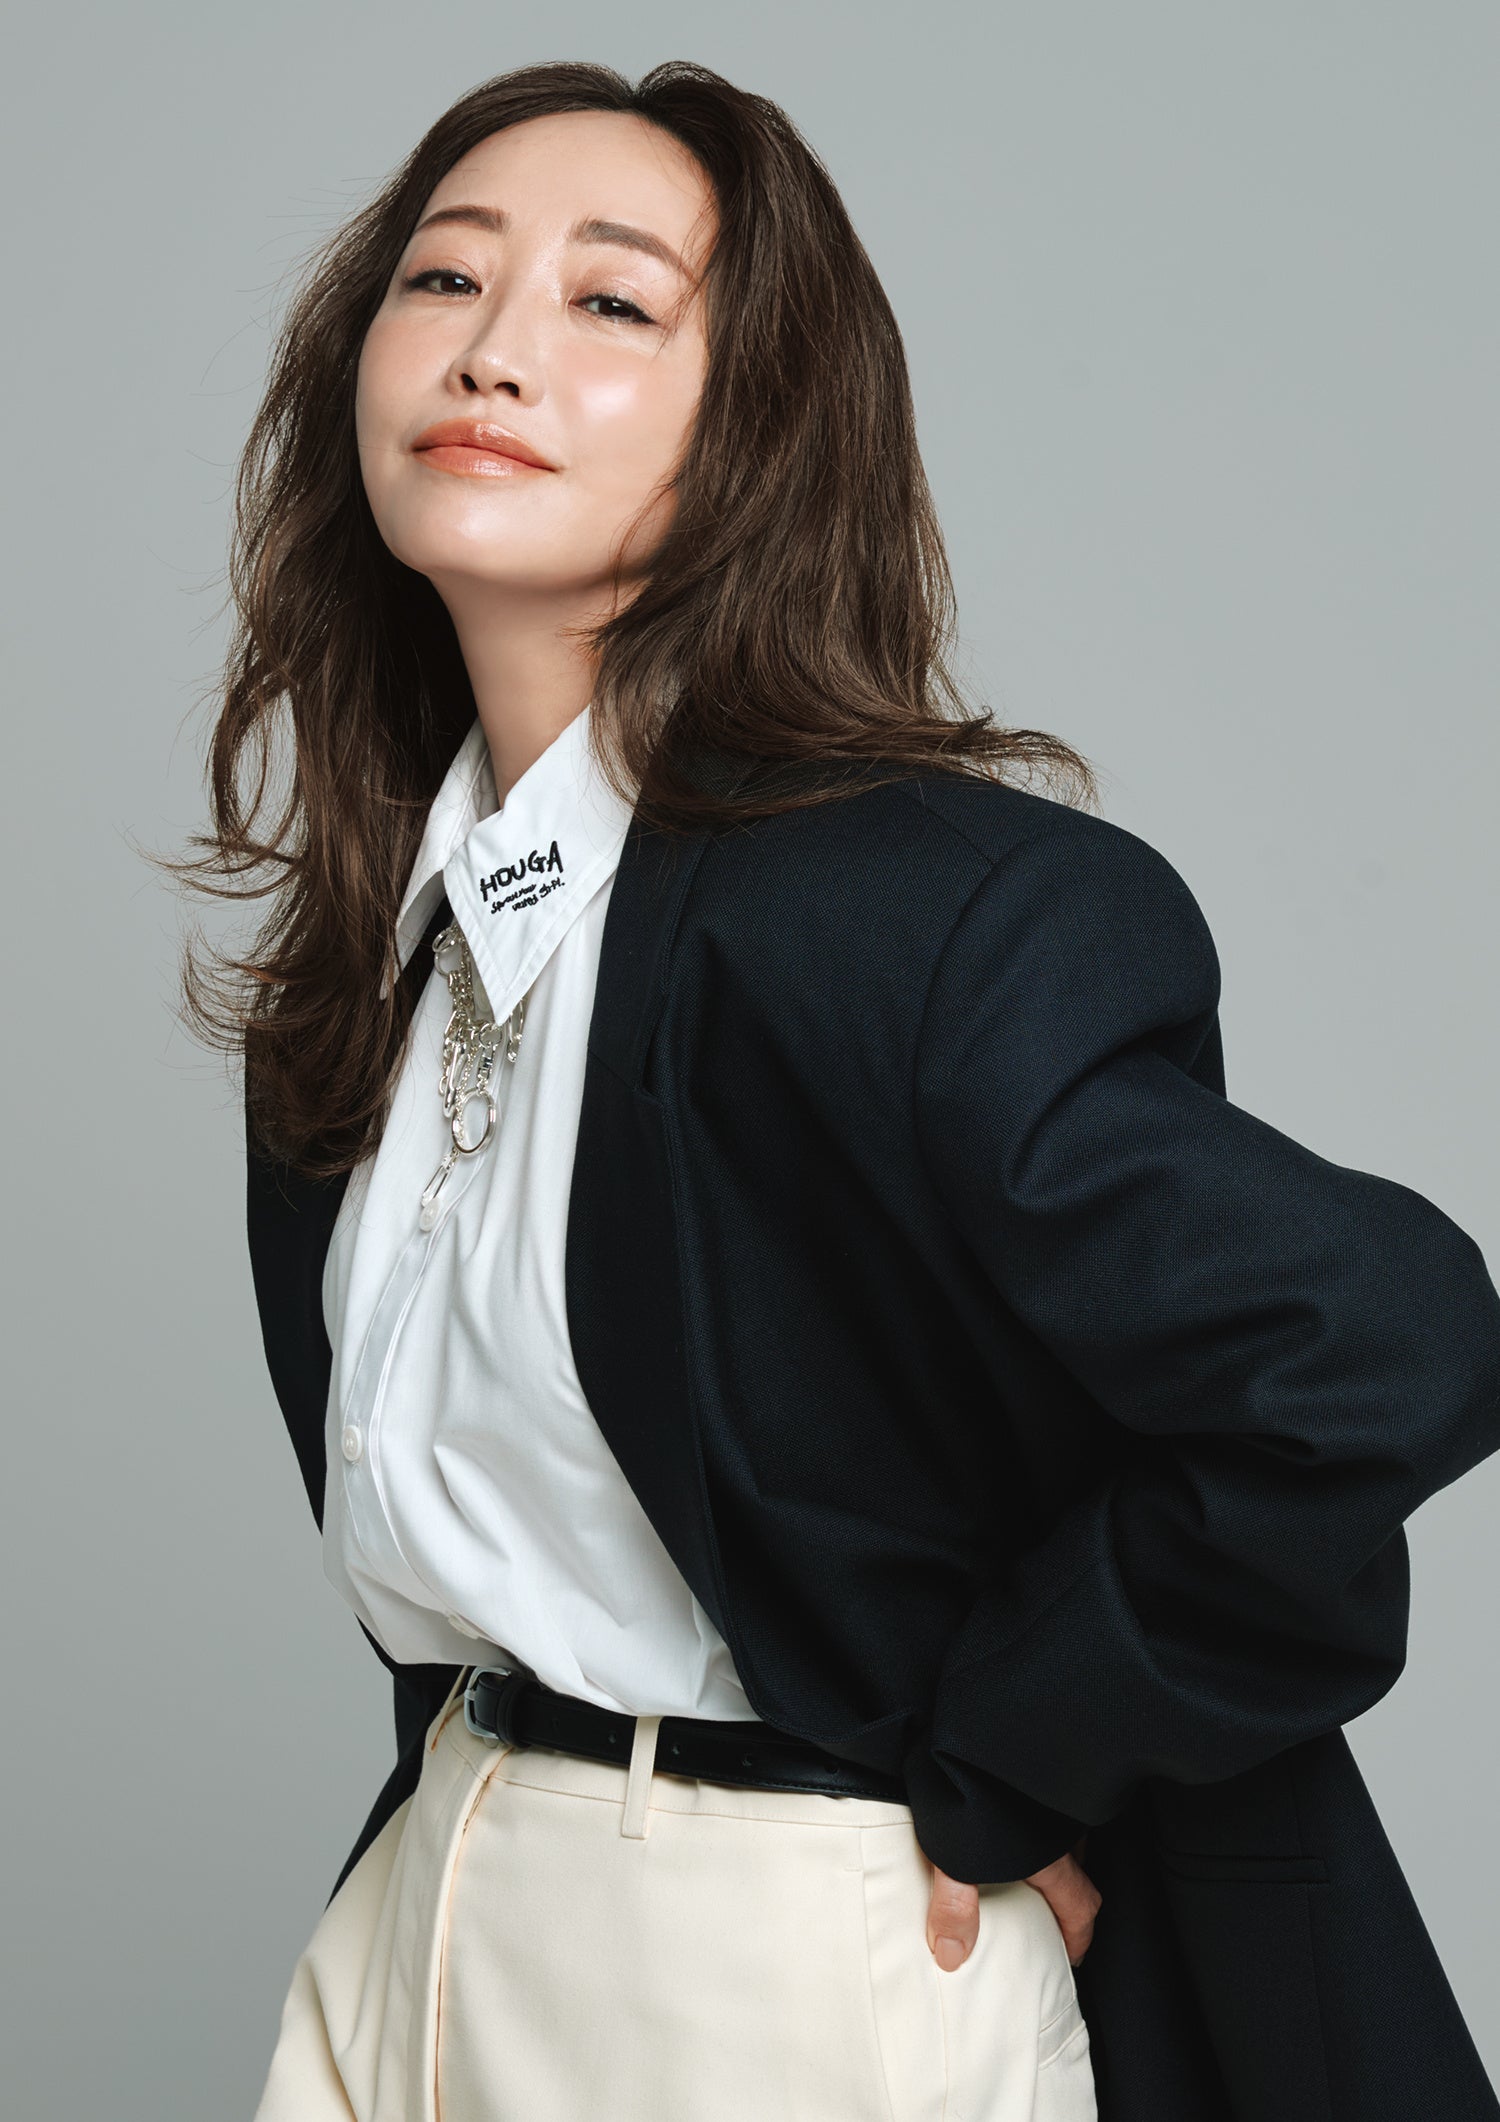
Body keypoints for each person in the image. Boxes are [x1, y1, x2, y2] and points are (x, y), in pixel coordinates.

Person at [166, 57, 1500, 2122]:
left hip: (770, 1959)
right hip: (426, 1904)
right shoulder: (368, 962)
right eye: (442, 277)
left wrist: (1014, 1748)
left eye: (613, 301)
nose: (495, 345)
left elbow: (1376, 1351)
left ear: (759, 430)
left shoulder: (917, 914)